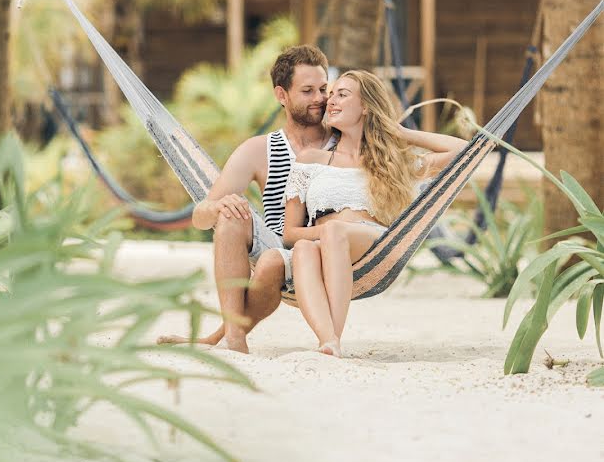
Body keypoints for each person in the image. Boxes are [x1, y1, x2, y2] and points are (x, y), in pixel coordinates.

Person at [273, 70, 468, 357]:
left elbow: (464, 151)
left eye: (343, 94)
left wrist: (400, 132)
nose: (331, 100)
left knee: (333, 231)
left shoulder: (395, 163)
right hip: (325, 242)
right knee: (302, 248)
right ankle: (328, 341)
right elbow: (289, 234)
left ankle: (333, 338)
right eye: (332, 94)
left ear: (366, 106)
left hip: (373, 243)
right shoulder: (309, 161)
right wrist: (328, 232)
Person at [157, 45, 337, 353]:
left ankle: (221, 336)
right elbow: (201, 217)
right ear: (282, 95)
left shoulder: (343, 142)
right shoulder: (259, 150)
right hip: (278, 245)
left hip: (327, 247)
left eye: (323, 89)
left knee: (269, 264)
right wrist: (219, 206)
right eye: (307, 91)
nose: (319, 98)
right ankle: (235, 339)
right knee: (231, 216)